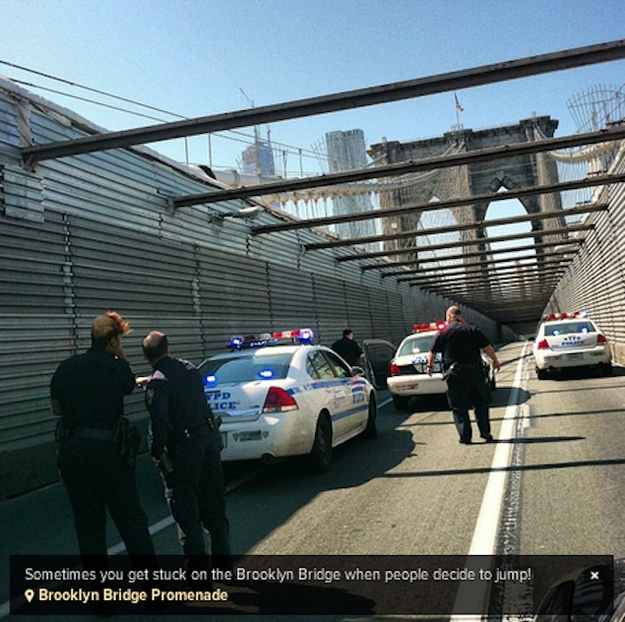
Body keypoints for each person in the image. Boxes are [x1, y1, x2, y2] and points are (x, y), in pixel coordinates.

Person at [50, 312, 159, 611]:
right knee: (130, 520)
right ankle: (153, 592)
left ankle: (100, 600)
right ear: (112, 341)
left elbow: (57, 409)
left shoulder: (66, 367)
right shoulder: (116, 367)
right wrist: (119, 352)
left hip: (73, 452)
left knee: (88, 526)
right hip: (109, 452)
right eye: (119, 340)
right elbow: (127, 384)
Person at [141, 331, 231, 586]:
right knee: (214, 508)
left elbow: (160, 422)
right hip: (208, 444)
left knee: (187, 515)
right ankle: (224, 568)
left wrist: (156, 453)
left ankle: (200, 579)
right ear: (168, 349)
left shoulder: (158, 384)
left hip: (182, 452)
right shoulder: (190, 369)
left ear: (145, 356)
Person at [427, 306, 501, 445]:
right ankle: (485, 433)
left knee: (459, 406)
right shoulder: (472, 329)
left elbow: (432, 351)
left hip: (454, 374)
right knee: (480, 403)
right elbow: (487, 347)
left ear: (449, 317)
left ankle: (465, 436)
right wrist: (495, 361)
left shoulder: (443, 332)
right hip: (474, 372)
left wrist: (430, 367)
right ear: (461, 317)